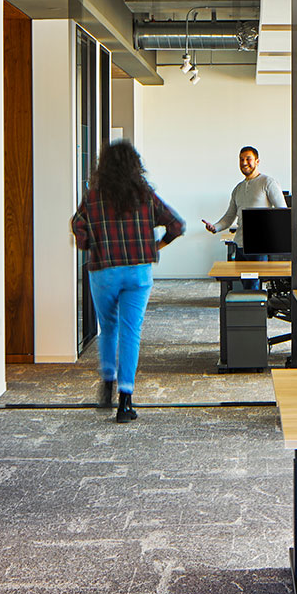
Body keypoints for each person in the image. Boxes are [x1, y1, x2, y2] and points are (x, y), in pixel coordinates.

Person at [70, 141, 186, 423]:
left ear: (104, 165)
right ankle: (126, 400)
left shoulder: (93, 196)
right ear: (136, 165)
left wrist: (88, 244)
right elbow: (177, 225)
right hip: (137, 272)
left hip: (104, 270)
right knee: (131, 331)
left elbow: (77, 223)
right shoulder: (145, 195)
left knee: (108, 328)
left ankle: (107, 381)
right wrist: (157, 245)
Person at [201, 145, 286, 252]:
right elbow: (229, 216)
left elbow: (282, 213)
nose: (244, 163)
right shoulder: (238, 188)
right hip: (239, 245)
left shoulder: (268, 182)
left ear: (257, 161)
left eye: (248, 159)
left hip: (260, 246)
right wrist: (215, 227)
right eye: (241, 159)